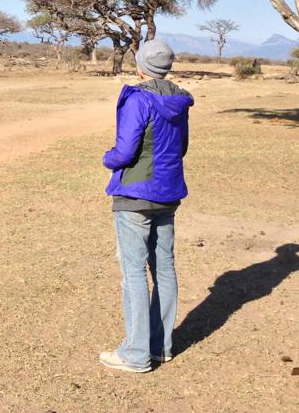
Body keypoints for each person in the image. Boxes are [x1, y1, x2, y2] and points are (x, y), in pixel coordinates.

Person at [98, 38, 193, 373]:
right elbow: (181, 147)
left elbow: (124, 152)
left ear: (140, 66)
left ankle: (136, 354)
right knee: (164, 269)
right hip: (168, 195)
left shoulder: (137, 98)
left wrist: (107, 160)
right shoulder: (180, 99)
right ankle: (161, 347)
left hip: (135, 196)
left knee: (134, 272)